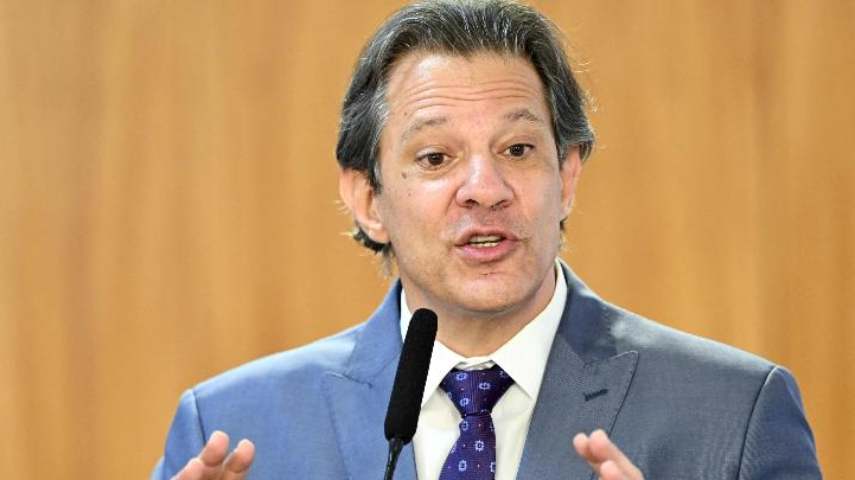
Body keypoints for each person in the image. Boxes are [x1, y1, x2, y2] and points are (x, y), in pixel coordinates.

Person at [151, 1, 822, 479]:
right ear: (368, 201)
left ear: (567, 176)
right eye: (436, 157)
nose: (485, 188)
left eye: (518, 149)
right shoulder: (233, 428)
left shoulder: (736, 412)